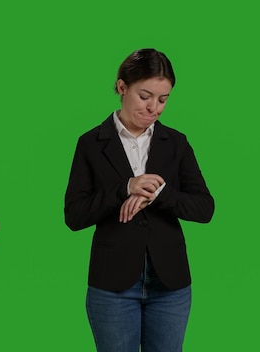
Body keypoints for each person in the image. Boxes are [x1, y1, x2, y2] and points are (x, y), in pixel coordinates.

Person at [64, 48, 214, 351]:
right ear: (122, 87)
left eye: (163, 99)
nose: (154, 108)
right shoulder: (91, 144)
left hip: (170, 285)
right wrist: (126, 188)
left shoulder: (176, 143)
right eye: (145, 96)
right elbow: (75, 215)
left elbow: (204, 207)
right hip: (112, 286)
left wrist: (158, 193)